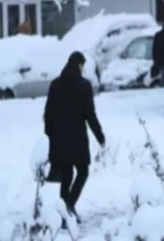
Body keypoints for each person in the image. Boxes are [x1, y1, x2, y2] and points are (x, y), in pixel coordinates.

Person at [44, 51, 105, 224]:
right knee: (83, 172)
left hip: (59, 139)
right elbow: (90, 115)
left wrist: (49, 139)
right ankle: (69, 206)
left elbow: (48, 114)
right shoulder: (84, 86)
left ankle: (65, 212)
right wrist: (100, 136)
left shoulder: (55, 85)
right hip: (77, 139)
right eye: (82, 66)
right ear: (79, 65)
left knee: (66, 175)